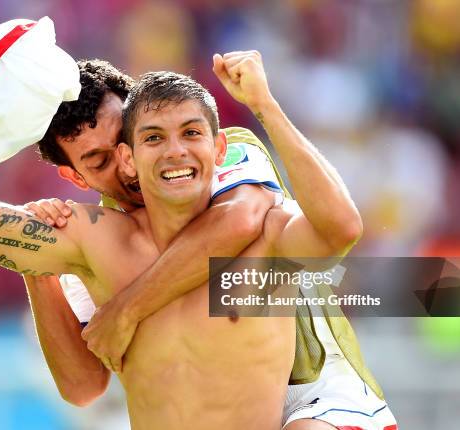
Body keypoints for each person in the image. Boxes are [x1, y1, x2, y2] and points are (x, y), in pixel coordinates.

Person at [23, 55, 397, 429]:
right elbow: (84, 388)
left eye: (129, 137)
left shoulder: (222, 150)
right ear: (75, 177)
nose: (126, 165)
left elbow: (241, 219)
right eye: (100, 161)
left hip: (313, 390)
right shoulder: (99, 240)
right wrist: (37, 260)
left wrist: (127, 310)